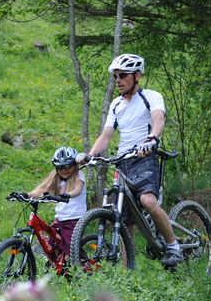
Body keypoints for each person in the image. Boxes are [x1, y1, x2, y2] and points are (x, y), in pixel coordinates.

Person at [75, 53, 183, 267]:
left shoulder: (151, 96)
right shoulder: (116, 104)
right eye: (115, 76)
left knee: (148, 201)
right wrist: (90, 155)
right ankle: (128, 270)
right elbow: (106, 135)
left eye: (123, 75)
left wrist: (152, 138)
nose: (118, 80)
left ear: (137, 76)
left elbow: (158, 119)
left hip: (144, 157)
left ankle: (173, 245)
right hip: (123, 162)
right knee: (124, 219)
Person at [26, 146, 87, 257]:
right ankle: (58, 266)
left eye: (67, 166)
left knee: (71, 249)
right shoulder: (56, 178)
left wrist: (68, 195)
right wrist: (26, 195)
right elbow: (41, 191)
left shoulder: (79, 175)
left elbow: (78, 190)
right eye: (60, 167)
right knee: (52, 247)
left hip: (75, 220)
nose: (64, 170)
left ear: (75, 165)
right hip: (59, 220)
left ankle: (82, 264)